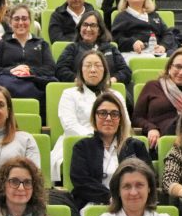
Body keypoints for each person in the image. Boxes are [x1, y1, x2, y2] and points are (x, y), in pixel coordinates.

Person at [52, 48, 127, 181]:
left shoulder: (116, 95)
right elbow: (69, 125)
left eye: (98, 65)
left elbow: (126, 123)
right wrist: (97, 139)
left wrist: (109, 140)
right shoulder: (69, 94)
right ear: (81, 70)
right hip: (77, 141)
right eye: (88, 65)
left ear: (105, 70)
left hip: (113, 143)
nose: (93, 70)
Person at [69, 93, 150, 209]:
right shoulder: (82, 147)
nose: (108, 118)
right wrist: (110, 197)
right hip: (93, 204)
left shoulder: (136, 147)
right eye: (102, 113)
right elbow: (81, 182)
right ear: (94, 117)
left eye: (114, 114)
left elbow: (148, 178)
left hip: (131, 202)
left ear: (120, 119)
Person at [0, 4, 55, 104]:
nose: (20, 23)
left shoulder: (42, 44)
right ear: (10, 22)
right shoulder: (1, 44)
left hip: (34, 81)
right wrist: (11, 70)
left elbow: (50, 68)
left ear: (30, 21)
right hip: (7, 83)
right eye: (16, 19)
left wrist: (29, 71)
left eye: (24, 19)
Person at [54, 10, 131, 85]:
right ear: (80, 28)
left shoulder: (110, 48)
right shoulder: (72, 48)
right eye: (85, 25)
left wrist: (112, 80)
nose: (88, 29)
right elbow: (60, 70)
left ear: (99, 30)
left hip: (107, 89)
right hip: (79, 89)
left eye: (93, 25)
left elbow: (126, 71)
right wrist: (78, 80)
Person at [110, 0, 175, 57]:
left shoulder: (154, 15)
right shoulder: (121, 17)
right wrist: (132, 43)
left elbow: (167, 33)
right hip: (133, 53)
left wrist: (163, 46)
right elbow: (116, 38)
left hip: (157, 52)